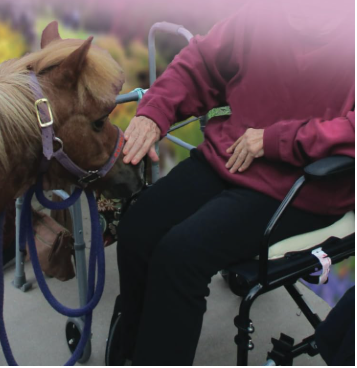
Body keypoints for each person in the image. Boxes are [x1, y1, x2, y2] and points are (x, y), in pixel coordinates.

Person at [110, 0, 354, 365]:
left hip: (302, 184)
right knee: (136, 230)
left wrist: (275, 139)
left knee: (179, 257)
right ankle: (129, 355)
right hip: (231, 156)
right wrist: (154, 112)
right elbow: (201, 64)